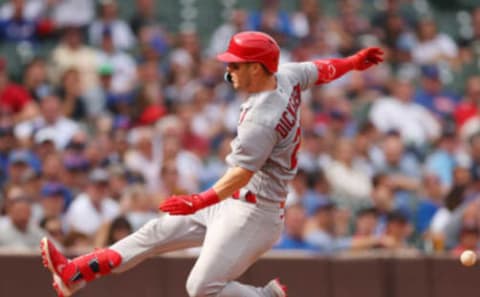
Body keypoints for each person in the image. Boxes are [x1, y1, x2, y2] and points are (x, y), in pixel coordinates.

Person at [40, 31, 383, 297]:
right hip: (236, 202)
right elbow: (322, 70)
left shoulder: (262, 117)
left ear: (256, 68)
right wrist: (353, 61)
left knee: (200, 287)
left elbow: (241, 173)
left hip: (254, 213)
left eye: (236, 64)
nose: (228, 69)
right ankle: (76, 272)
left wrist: (199, 200)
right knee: (154, 232)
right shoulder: (287, 74)